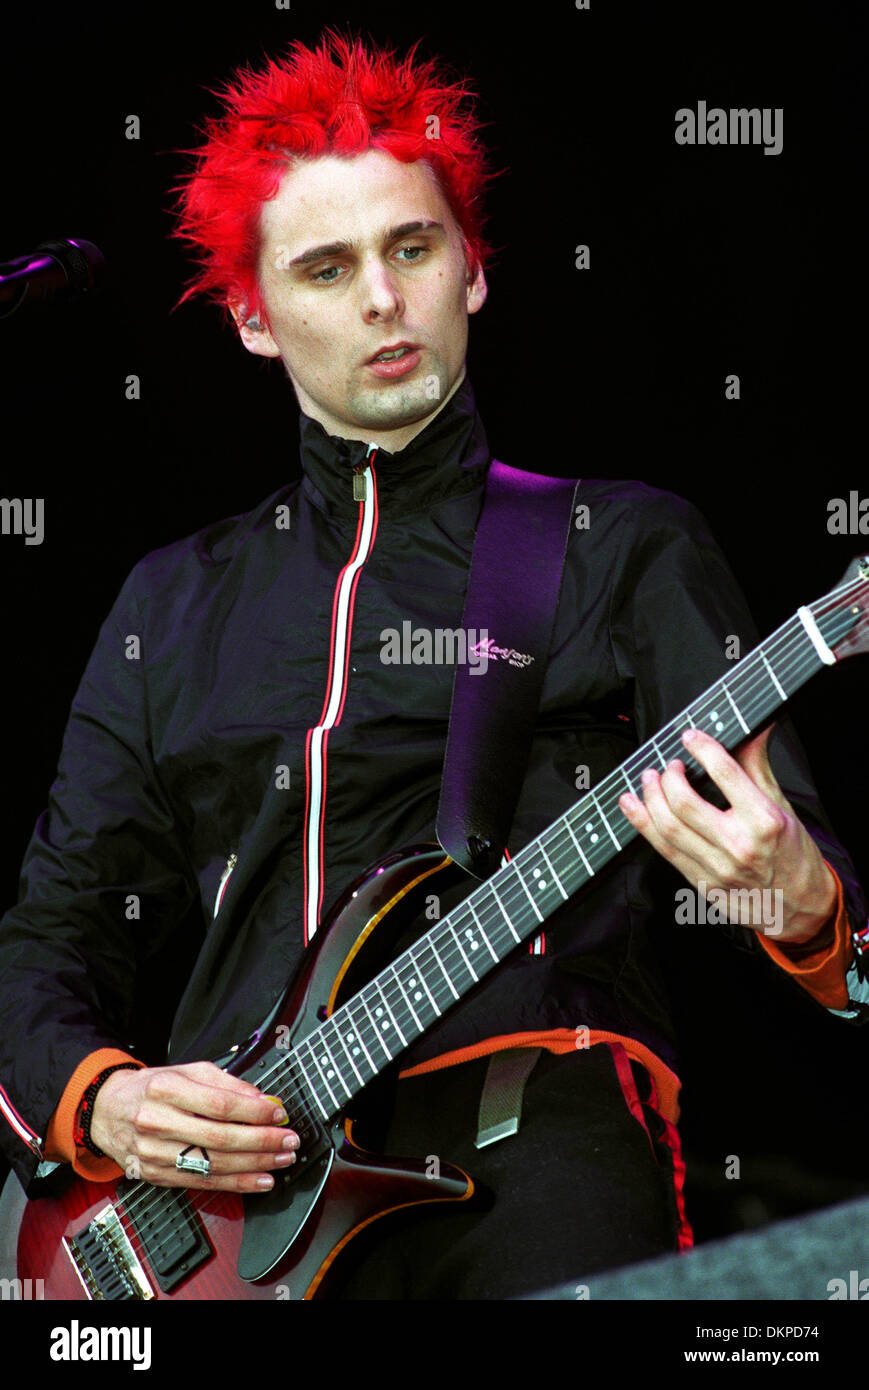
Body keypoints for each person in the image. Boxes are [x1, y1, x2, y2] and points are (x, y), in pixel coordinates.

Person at [0, 30, 866, 1301]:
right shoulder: (171, 602)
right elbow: (49, 934)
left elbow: (817, 902)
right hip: (216, 1224)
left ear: (471, 270)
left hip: (534, 1129)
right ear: (251, 316)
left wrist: (797, 904)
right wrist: (104, 1098)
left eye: (411, 249)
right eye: (325, 267)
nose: (379, 299)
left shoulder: (619, 543)